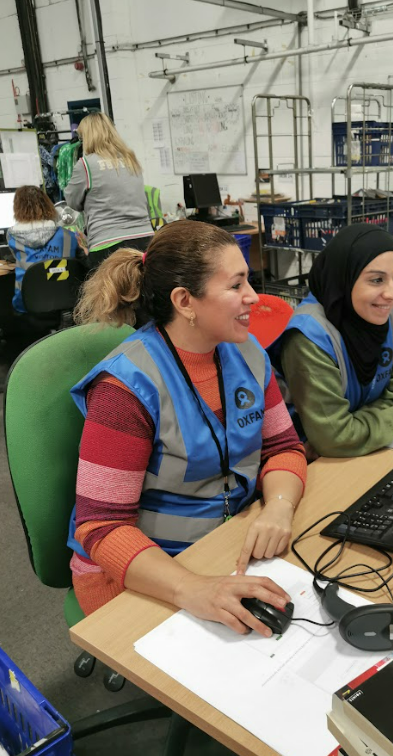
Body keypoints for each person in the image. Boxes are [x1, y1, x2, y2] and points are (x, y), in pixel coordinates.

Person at [69, 220, 307, 637]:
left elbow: (284, 446)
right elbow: (101, 527)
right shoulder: (125, 388)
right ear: (185, 301)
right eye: (236, 286)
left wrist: (278, 507)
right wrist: (192, 587)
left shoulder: (246, 354)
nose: (253, 296)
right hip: (141, 571)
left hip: (221, 545)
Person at [275, 223, 393, 459]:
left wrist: (353, 428)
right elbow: (334, 439)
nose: (392, 294)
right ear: (344, 278)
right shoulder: (309, 337)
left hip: (366, 452)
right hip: (313, 463)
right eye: (376, 280)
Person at [64, 112, 154, 270]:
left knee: (108, 294)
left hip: (107, 244)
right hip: (145, 240)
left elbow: (72, 201)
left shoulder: (86, 165)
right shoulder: (130, 159)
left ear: (88, 137)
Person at [7, 185, 80, 314]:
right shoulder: (69, 237)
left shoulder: (12, 237)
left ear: (17, 208)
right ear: (47, 205)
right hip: (67, 303)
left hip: (27, 303)